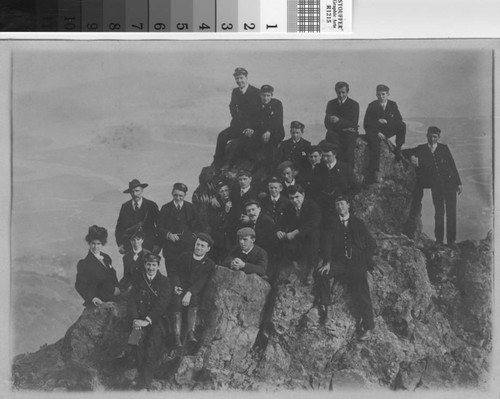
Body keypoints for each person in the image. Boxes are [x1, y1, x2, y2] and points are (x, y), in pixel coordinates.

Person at [314, 195, 376, 340]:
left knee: (362, 292)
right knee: (321, 274)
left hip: (357, 264)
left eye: (342, 204)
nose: (340, 207)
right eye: (337, 204)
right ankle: (326, 306)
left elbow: (371, 243)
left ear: (348, 205)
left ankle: (368, 326)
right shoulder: (332, 223)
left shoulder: (358, 222)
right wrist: (328, 261)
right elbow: (327, 243)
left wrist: (365, 262)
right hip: (340, 263)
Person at [403, 126, 462, 249]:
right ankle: (439, 241)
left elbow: (452, 165)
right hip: (437, 187)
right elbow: (404, 152)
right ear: (426, 136)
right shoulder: (421, 149)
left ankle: (451, 241)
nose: (432, 139)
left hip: (450, 185)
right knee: (439, 213)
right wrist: (412, 158)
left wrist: (459, 183)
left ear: (439, 137)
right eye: (430, 136)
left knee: (451, 213)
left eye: (435, 136)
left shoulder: (444, 148)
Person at [128, 253, 173, 390]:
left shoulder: (165, 282)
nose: (151, 268)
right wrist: (135, 319)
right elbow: (132, 301)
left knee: (151, 348)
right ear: (144, 265)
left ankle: (144, 385)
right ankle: (143, 379)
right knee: (134, 344)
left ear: (158, 266)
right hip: (138, 320)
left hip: (156, 321)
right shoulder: (138, 280)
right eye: (148, 264)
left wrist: (147, 321)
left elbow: (162, 304)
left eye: (154, 265)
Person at [172, 233, 216, 348]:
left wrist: (190, 293)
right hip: (180, 288)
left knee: (194, 301)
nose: (199, 248)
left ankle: (190, 332)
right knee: (176, 302)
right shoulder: (184, 256)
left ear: (208, 249)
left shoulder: (209, 264)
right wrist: (176, 285)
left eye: (202, 246)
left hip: (195, 291)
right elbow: (174, 272)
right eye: (197, 244)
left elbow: (202, 281)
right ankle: (176, 336)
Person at [213, 67, 261, 170]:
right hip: (239, 127)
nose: (239, 81)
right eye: (237, 78)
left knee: (246, 145)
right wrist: (240, 124)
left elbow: (259, 114)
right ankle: (217, 163)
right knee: (222, 136)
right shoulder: (235, 91)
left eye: (241, 78)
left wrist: (252, 128)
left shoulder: (256, 92)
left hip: (253, 129)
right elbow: (232, 107)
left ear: (246, 78)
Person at [276, 185, 322, 284]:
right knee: (284, 243)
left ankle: (311, 268)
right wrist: (279, 230)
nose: (295, 200)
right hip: (297, 237)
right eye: (291, 198)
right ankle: (295, 267)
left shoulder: (312, 205)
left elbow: (313, 222)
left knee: (313, 238)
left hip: (310, 234)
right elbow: (281, 222)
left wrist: (295, 232)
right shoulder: (289, 207)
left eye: (297, 197)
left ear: (303, 195)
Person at [363, 84, 407, 183]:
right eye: (378, 95)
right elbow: (366, 124)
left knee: (402, 125)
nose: (381, 97)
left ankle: (398, 149)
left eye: (383, 94)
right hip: (375, 132)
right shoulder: (372, 105)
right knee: (375, 145)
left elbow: (399, 120)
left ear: (388, 94)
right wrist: (377, 128)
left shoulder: (393, 104)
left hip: (387, 130)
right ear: (376, 95)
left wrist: (387, 121)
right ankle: (375, 171)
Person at [157, 183, 199, 275]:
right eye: (175, 195)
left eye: (181, 196)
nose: (178, 198)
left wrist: (192, 237)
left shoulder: (191, 207)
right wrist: (168, 235)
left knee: (187, 274)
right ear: (172, 193)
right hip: (170, 249)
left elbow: (198, 225)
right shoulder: (165, 208)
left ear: (185, 195)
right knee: (172, 274)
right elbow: (159, 227)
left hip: (187, 248)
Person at [75, 225, 120, 307]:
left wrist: (117, 287)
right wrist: (92, 298)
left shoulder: (106, 257)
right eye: (93, 243)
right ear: (89, 244)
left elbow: (112, 275)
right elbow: (79, 285)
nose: (95, 247)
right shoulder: (84, 264)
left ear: (102, 244)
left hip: (113, 296)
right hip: (100, 301)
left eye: (98, 244)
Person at [310, 143, 359, 215]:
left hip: (340, 206)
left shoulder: (345, 168)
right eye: (323, 156)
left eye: (328, 156)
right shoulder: (318, 168)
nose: (325, 158)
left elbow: (355, 187)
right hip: (323, 206)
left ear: (334, 155)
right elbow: (314, 187)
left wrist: (346, 199)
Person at [115, 179, 160, 255]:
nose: (135, 194)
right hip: (130, 246)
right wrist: (120, 244)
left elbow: (160, 226)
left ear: (142, 191)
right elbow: (119, 227)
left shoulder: (151, 205)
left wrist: (158, 245)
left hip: (148, 246)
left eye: (137, 191)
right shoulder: (125, 207)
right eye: (132, 191)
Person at [248, 84, 285, 170]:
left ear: (272, 95)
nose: (265, 98)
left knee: (270, 150)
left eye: (268, 95)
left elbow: (278, 121)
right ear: (260, 95)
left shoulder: (277, 104)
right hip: (261, 132)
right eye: (263, 95)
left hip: (275, 132)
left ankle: (270, 169)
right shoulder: (256, 105)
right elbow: (253, 120)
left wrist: (269, 131)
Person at [324, 81, 360, 169]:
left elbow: (353, 123)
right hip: (335, 133)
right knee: (332, 147)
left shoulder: (354, 104)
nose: (341, 95)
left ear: (347, 92)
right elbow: (327, 123)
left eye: (343, 92)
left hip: (348, 133)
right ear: (336, 92)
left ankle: (349, 172)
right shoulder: (331, 104)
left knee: (348, 151)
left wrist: (338, 121)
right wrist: (342, 124)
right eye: (338, 92)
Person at [206, 181, 233, 263]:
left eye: (226, 190)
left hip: (231, 239)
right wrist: (225, 212)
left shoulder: (234, 201)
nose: (225, 193)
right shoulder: (214, 205)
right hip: (218, 240)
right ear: (218, 193)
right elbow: (214, 222)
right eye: (222, 191)